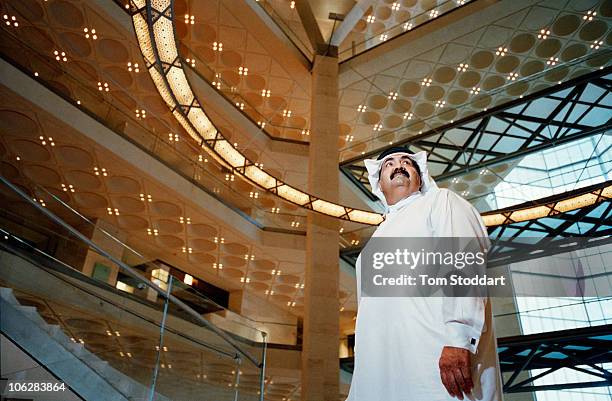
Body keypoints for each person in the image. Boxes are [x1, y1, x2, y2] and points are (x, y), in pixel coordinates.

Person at [346, 147, 502, 401]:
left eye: (407, 162)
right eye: (389, 164)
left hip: (437, 361)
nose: (399, 166)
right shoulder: (371, 245)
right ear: (379, 184)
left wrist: (459, 338)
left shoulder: (441, 202)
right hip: (378, 375)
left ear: (420, 177)